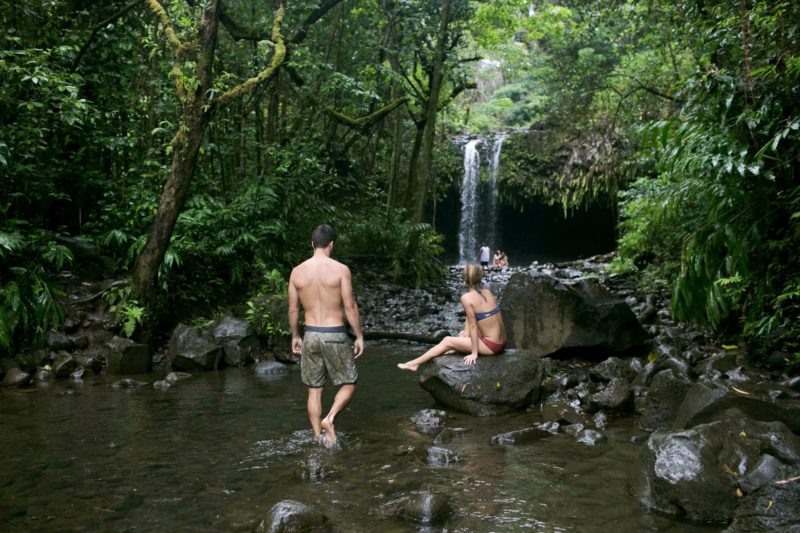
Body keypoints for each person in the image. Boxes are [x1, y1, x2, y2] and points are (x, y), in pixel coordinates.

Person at [288, 224, 365, 447]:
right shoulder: (341, 270)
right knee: (349, 382)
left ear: (312, 244)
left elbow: (293, 309)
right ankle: (329, 419)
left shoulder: (297, 272)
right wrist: (359, 336)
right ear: (331, 245)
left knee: (314, 389)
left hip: (311, 333)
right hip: (334, 333)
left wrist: (295, 335)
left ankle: (317, 438)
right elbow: (349, 306)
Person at [397, 263, 506, 371]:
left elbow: (474, 326)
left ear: (465, 278)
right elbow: (473, 318)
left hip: (492, 346)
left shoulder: (467, 298)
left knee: (447, 340)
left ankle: (414, 364)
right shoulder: (487, 292)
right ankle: (455, 348)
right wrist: (466, 333)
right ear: (479, 276)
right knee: (461, 337)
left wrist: (474, 353)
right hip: (501, 342)